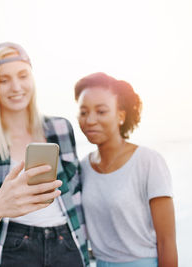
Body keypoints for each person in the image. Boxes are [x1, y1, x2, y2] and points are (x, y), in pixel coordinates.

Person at [0, 42, 89, 267]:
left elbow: (78, 193)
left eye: (23, 76)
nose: (16, 87)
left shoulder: (61, 129)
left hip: (67, 243)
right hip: (13, 247)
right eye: (4, 80)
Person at [74, 72, 178, 267]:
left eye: (101, 111)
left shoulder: (148, 162)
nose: (90, 120)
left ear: (121, 115)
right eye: (84, 112)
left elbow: (167, 242)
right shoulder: (83, 167)